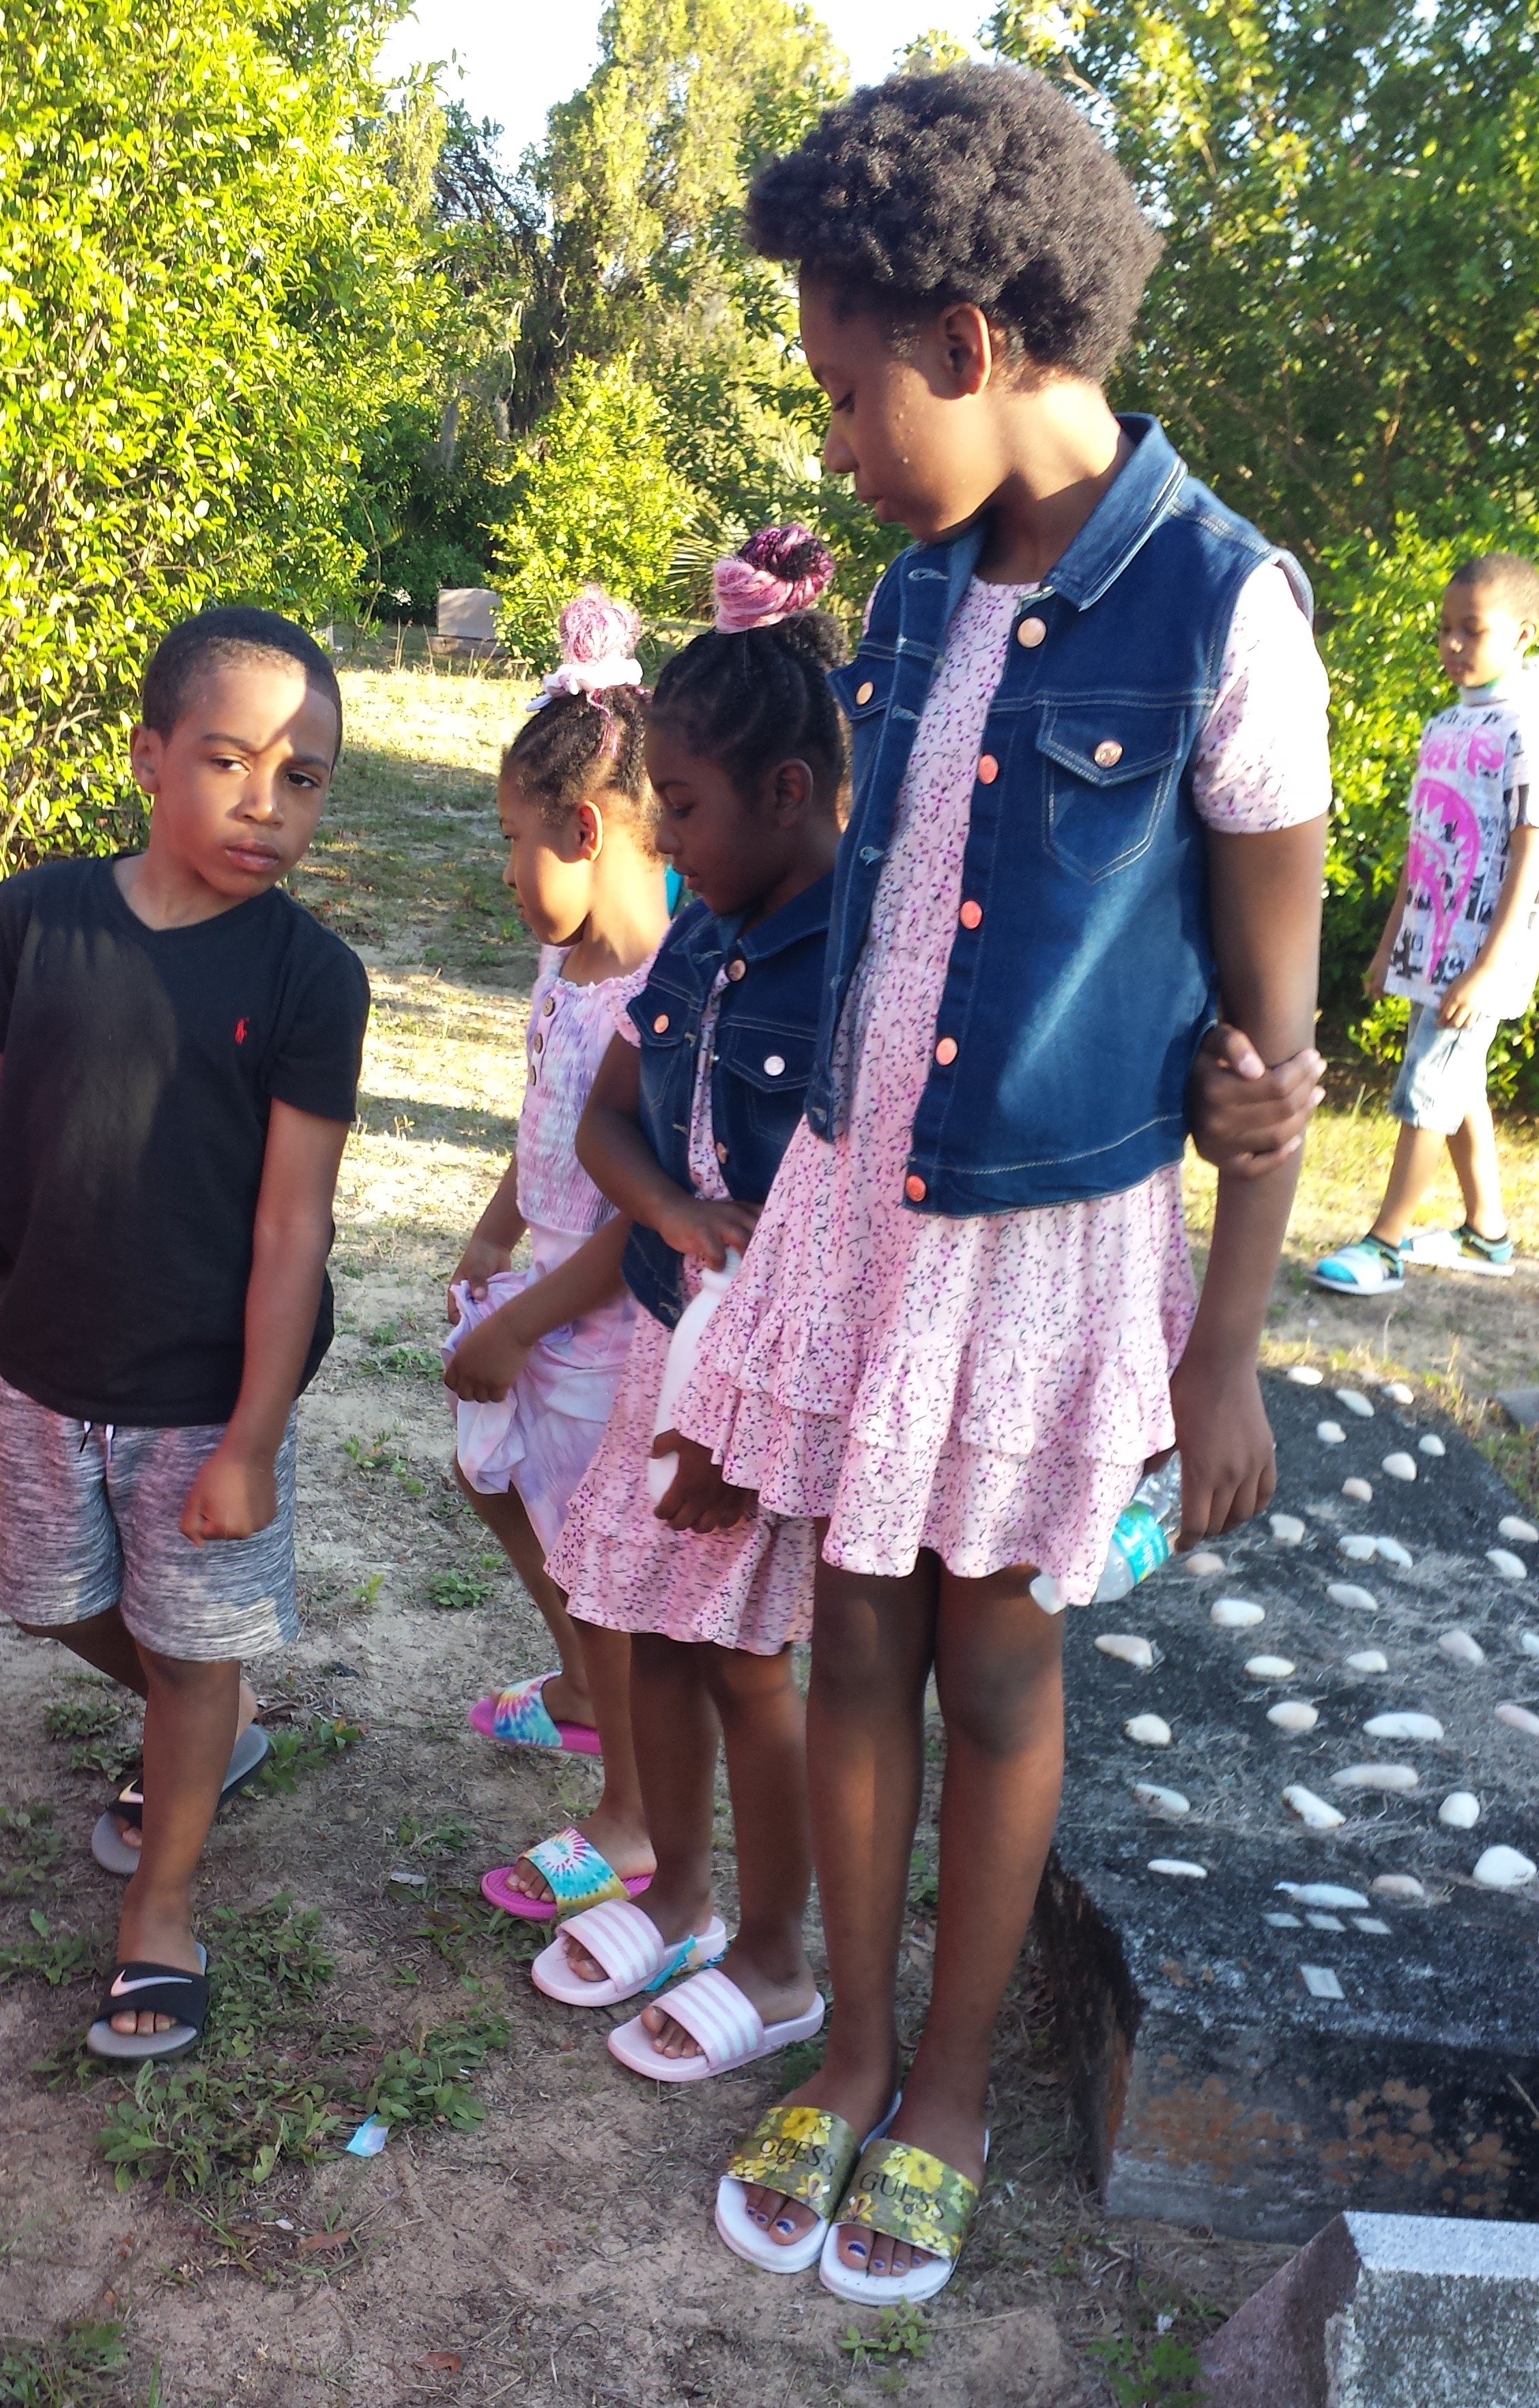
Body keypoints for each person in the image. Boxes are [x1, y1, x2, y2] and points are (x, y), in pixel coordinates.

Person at [670, 66, 1331, 2300]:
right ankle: (853, 2049)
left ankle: (950, 2085)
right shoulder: (912, 593)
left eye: (846, 389)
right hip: (868, 1203)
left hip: (1049, 1248)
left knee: (995, 1661)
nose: (836, 442)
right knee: (850, 1624)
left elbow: (1270, 1052)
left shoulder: (1224, 609)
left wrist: (1220, 1349)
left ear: (962, 341)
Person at [0, 607, 369, 2061]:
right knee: (54, 1603)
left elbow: (293, 1226)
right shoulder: (32, 919)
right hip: (45, 1357)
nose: (267, 804)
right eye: (230, 761)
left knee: (190, 1655)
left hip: (206, 1388)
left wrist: (251, 1435)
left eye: (303, 778)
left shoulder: (311, 977)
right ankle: (213, 1725)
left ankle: (164, 1902)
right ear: (148, 757)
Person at [526, 529, 837, 2069]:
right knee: (638, 1621)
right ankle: (678, 1894)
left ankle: (776, 1959)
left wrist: (750, 1344)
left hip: (767, 1375)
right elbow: (608, 1123)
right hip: (668, 1334)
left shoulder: (853, 962)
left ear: (787, 791)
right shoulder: (698, 935)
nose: (668, 840)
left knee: (742, 1661)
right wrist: (670, 1210)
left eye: (687, 808)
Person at [446, 589, 672, 1923]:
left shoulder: (660, 999)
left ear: (584, 831)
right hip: (547, 1300)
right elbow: (543, 1113)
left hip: (610, 1326)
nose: (505, 872)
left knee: (607, 1569)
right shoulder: (570, 964)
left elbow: (648, 1218)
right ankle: (583, 1689)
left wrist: (521, 1323)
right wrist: (494, 1235)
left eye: (513, 843)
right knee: (491, 1474)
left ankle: (632, 1819)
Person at [1313, 554, 1539, 1295]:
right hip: (1429, 943)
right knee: (1454, 1081)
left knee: (1427, 1085)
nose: (1452, 644)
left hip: (1483, 953)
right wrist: (1389, 948)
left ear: (1523, 634)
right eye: (1444, 629)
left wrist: (1489, 968)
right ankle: (1486, 1232)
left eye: (1472, 629)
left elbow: (1529, 851)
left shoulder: (1527, 725)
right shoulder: (1443, 725)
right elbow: (1424, 845)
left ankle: (1384, 1243)